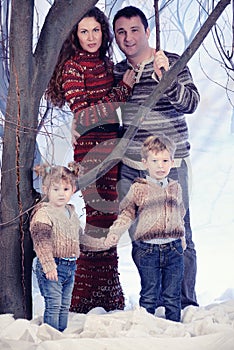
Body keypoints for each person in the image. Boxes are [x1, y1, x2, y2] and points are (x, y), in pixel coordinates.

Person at [45, 7, 135, 313]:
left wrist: (112, 103)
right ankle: (85, 296)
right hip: (91, 152)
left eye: (95, 30)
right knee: (100, 220)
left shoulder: (107, 65)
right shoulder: (72, 68)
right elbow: (84, 117)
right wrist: (123, 90)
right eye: (84, 31)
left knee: (106, 220)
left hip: (113, 147)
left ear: (104, 32)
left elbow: (108, 113)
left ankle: (105, 293)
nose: (91, 37)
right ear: (75, 36)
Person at [112, 6, 200, 309]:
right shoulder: (117, 72)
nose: (128, 37)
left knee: (180, 235)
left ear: (147, 31)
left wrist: (168, 78)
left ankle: (185, 303)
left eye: (134, 30)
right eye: (121, 32)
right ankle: (154, 301)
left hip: (171, 166)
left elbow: (191, 103)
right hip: (133, 169)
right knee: (142, 239)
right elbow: (110, 116)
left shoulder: (172, 62)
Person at [105, 134, 186, 322]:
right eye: (155, 161)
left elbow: (179, 214)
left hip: (174, 249)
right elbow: (126, 213)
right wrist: (115, 232)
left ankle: (175, 332)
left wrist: (181, 239)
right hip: (148, 250)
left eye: (165, 160)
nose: (160, 166)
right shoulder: (139, 189)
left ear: (172, 162)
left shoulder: (175, 188)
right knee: (149, 294)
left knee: (172, 296)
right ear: (144, 163)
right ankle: (146, 330)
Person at [30, 163, 106, 331]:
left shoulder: (71, 212)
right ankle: (50, 337)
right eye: (55, 189)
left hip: (70, 266)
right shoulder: (44, 213)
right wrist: (49, 266)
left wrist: (101, 244)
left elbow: (79, 237)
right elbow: (41, 243)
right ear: (46, 189)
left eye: (65, 189)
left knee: (65, 305)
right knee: (54, 304)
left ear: (72, 189)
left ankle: (61, 335)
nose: (61, 194)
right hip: (52, 265)